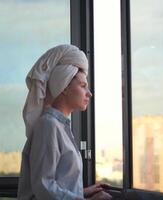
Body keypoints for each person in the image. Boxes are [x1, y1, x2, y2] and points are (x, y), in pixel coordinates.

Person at [17, 44, 112, 200]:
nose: (89, 93)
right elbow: (44, 188)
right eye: (83, 86)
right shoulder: (48, 126)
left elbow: (57, 183)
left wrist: (83, 192)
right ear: (64, 88)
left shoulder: (61, 126)